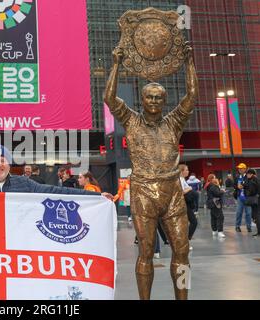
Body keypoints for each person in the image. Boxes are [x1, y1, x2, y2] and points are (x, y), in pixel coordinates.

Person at [105, 41, 197, 300]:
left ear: (164, 101)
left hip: (172, 193)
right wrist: (115, 64)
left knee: (182, 250)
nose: (154, 101)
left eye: (159, 97)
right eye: (150, 97)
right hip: (144, 192)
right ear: (142, 99)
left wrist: (189, 64)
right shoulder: (131, 120)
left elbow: (191, 97)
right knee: (145, 251)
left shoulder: (174, 122)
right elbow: (110, 99)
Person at [0, 145, 114, 202]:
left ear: (9, 165)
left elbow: (57, 191)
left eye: (2, 160)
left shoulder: (24, 184)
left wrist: (96, 197)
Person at [179, 165, 198, 250]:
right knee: (193, 222)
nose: (188, 171)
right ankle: (185, 241)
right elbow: (180, 192)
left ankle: (186, 241)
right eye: (186, 170)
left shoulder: (183, 180)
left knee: (187, 223)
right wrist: (189, 189)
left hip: (186, 204)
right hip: (183, 204)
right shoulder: (179, 180)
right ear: (181, 171)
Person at [234, 163, 252, 233]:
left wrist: (243, 186)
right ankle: (237, 226)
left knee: (248, 213)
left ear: (245, 169)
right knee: (239, 212)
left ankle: (248, 226)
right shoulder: (237, 176)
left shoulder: (248, 177)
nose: (239, 169)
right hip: (239, 197)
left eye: (241, 168)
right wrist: (237, 187)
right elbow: (234, 185)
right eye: (239, 168)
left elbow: (251, 185)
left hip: (247, 198)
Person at [244, 169, 259, 237]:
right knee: (255, 215)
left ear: (251, 174)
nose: (247, 175)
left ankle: (259, 232)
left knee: (256, 216)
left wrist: (257, 196)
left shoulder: (254, 180)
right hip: (255, 200)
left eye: (248, 174)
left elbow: (253, 190)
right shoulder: (252, 179)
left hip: (256, 200)